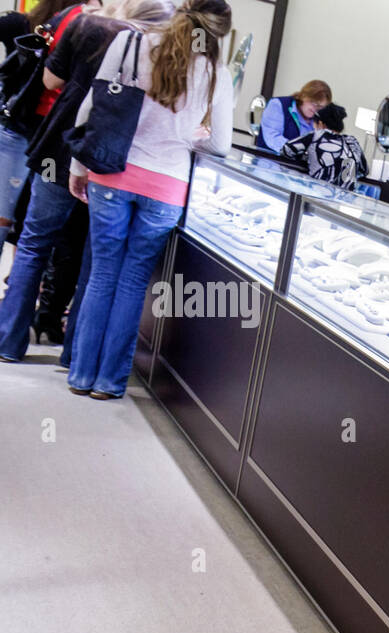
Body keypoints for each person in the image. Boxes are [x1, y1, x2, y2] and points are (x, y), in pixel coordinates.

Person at [65, 0, 232, 399]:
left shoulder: (129, 43)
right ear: (218, 32)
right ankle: (108, 383)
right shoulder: (215, 72)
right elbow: (221, 145)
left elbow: (91, 108)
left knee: (102, 275)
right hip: (167, 188)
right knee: (133, 282)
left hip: (113, 173)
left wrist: (76, 168)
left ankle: (81, 375)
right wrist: (190, 136)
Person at [0, 0, 173, 364]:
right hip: (110, 158)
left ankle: (8, 342)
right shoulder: (154, 49)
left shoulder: (84, 25)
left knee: (34, 242)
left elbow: (50, 80)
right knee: (91, 259)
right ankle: (74, 355)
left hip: (58, 146)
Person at [0, 0, 86, 247]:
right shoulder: (82, 27)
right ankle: (19, 280)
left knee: (6, 212)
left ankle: (18, 278)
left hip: (19, 125)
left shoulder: (23, 23)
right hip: (53, 134)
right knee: (32, 218)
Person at [280, 102, 367, 191]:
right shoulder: (352, 141)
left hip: (319, 194)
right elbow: (364, 171)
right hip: (345, 200)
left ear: (320, 124)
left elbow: (286, 150)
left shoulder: (317, 136)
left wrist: (307, 157)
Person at [254, 79, 330, 154]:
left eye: (320, 107)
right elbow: (273, 138)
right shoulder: (278, 105)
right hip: (269, 162)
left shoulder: (316, 121)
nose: (315, 109)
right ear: (304, 96)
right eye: (314, 103)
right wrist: (300, 151)